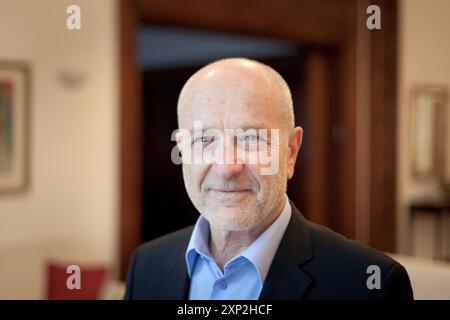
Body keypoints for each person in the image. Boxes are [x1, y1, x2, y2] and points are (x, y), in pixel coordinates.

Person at [124, 58, 413, 300]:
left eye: (251, 138)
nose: (227, 167)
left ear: (290, 152)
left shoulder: (369, 284)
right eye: (205, 139)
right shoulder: (146, 266)